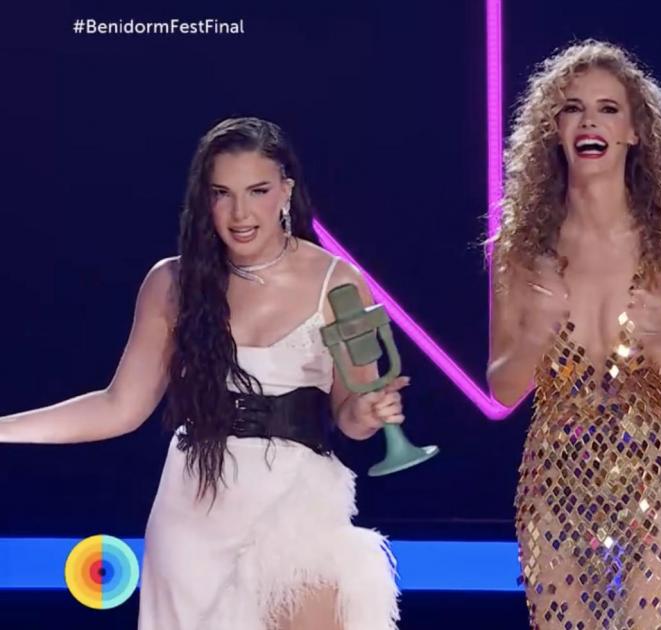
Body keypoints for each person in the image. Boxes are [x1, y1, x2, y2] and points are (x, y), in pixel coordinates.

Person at [0, 117, 403, 630]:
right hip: (193, 510)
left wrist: (367, 411)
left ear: (286, 190)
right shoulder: (172, 283)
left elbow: (352, 413)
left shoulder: (338, 282)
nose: (240, 213)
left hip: (294, 506)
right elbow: (119, 407)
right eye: (222, 193)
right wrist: (4, 428)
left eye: (257, 190)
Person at [487, 40, 661, 629]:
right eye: (572, 108)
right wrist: (537, 333)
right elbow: (501, 388)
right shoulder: (520, 250)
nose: (589, 120)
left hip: (660, 471)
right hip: (555, 475)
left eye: (607, 108)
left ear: (635, 131)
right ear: (555, 130)